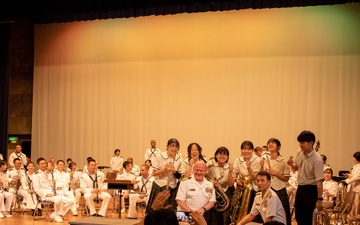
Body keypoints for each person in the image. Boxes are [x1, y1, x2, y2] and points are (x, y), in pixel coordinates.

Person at [287, 130, 324, 225]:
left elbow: (319, 181)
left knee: (308, 218)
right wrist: (291, 164)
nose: (300, 145)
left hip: (311, 189)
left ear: (311, 143)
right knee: (299, 216)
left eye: (303, 143)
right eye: (299, 142)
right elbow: (297, 168)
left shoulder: (317, 159)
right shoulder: (299, 153)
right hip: (301, 188)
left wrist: (319, 200)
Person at [146, 138, 184, 213]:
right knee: (157, 211)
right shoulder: (159, 156)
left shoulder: (179, 159)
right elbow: (154, 173)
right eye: (172, 146)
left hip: (172, 187)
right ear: (167, 147)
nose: (174, 148)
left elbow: (179, 176)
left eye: (176, 146)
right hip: (159, 185)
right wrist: (164, 169)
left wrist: (174, 171)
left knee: (170, 211)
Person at [32, 157, 73, 222]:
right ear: (38, 165)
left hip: (53, 194)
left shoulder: (48, 174)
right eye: (42, 164)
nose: (44, 165)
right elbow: (36, 189)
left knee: (71, 201)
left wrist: (53, 184)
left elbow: (50, 187)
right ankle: (57, 216)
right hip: (44, 196)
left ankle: (56, 214)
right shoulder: (36, 175)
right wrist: (46, 194)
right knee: (58, 200)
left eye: (44, 163)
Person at [260, 138, 291, 225]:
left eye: (273, 143)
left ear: (278, 147)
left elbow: (286, 179)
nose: (270, 144)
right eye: (269, 143)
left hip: (280, 189)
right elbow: (261, 176)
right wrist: (261, 167)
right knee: (266, 213)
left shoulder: (283, 161)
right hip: (268, 190)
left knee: (282, 214)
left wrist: (276, 173)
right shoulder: (264, 159)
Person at [233, 140, 262, 223]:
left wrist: (249, 169)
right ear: (241, 150)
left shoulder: (257, 160)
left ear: (252, 150)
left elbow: (257, 177)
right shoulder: (238, 160)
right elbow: (234, 175)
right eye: (244, 149)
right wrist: (237, 181)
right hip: (243, 189)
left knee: (253, 212)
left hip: (255, 189)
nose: (246, 151)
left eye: (249, 149)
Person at [206, 146, 235, 225]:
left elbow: (231, 184)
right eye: (220, 154)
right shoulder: (210, 164)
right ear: (216, 155)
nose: (222, 156)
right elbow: (205, 178)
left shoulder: (230, 166)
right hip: (213, 193)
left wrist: (230, 172)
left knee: (225, 219)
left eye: (225, 154)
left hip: (225, 194)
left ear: (228, 157)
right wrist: (212, 182)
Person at [343, 151, 360, 216]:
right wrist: (349, 176)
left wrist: (347, 181)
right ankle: (349, 217)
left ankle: (355, 218)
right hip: (353, 186)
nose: (353, 159)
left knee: (356, 203)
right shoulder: (355, 166)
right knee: (349, 202)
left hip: (358, 187)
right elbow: (353, 175)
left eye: (354, 157)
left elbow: (358, 176)